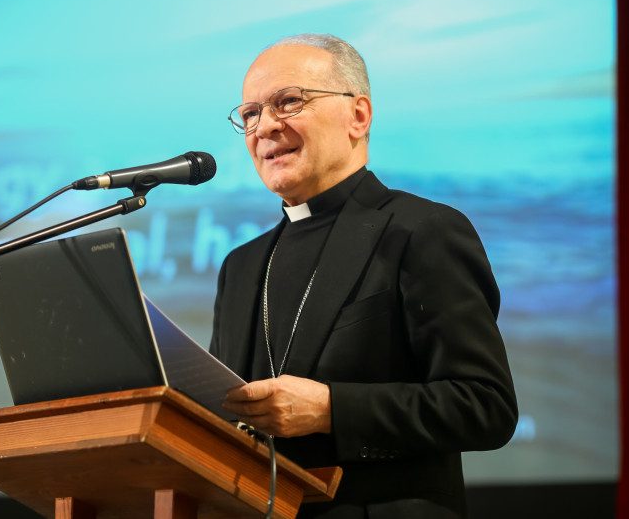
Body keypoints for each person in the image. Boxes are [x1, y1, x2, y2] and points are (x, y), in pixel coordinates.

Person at [210, 33, 518, 519]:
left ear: (358, 116)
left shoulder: (420, 230)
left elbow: (486, 406)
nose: (264, 126)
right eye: (250, 113)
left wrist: (331, 410)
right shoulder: (241, 266)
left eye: (288, 102)